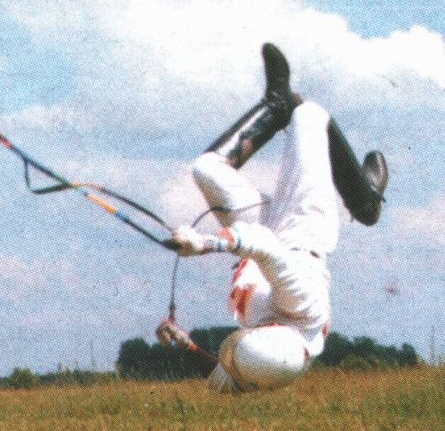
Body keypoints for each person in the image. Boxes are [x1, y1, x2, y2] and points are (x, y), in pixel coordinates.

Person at [157, 44, 388, 393]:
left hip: (261, 234)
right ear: (273, 332)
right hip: (300, 230)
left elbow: (221, 381)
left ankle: (276, 104)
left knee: (207, 169)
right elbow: (266, 247)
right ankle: (366, 202)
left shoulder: (263, 367)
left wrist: (183, 344)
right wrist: (203, 243)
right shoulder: (304, 305)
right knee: (309, 116)